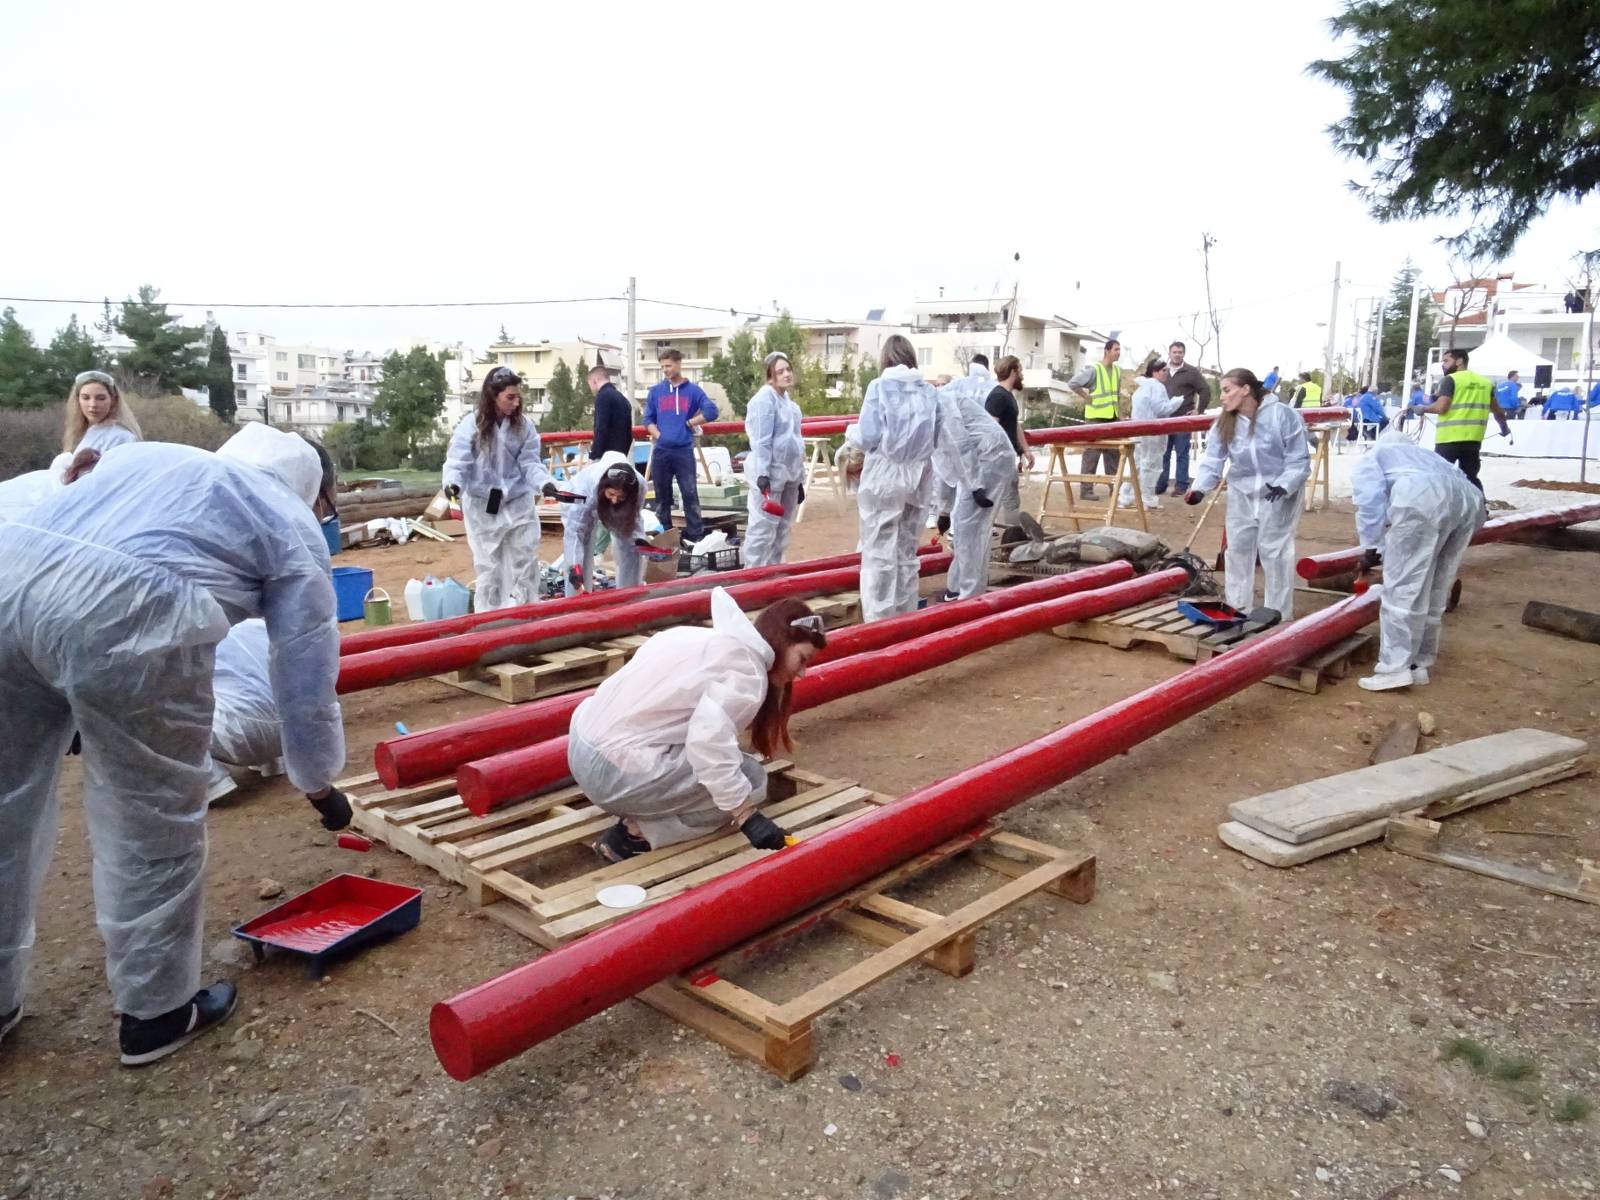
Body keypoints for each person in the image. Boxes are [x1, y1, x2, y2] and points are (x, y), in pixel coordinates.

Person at [0, 423, 349, 1066]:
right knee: (150, 814)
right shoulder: (286, 519)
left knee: (3, 804)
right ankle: (156, 1012)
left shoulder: (150, 457)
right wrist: (317, 779)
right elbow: (303, 670)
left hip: (9, 574)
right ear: (310, 488)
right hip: (128, 614)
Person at [567, 590, 826, 860]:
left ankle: (640, 808)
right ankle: (635, 835)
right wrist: (746, 815)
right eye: (802, 658)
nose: (802, 672)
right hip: (613, 776)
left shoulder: (698, 637)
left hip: (580, 748)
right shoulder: (748, 672)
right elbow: (708, 744)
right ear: (781, 641)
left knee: (732, 768)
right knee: (750, 781)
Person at [1351, 431, 1486, 691]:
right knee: (1436, 584)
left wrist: (1371, 547)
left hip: (1421, 498)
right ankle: (1419, 664)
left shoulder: (1375, 456)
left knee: (1402, 588)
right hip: (1468, 503)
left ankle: (1394, 669)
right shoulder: (1429, 458)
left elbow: (1369, 502)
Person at [851, 336, 972, 621]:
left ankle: (879, 624)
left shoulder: (879, 388)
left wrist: (849, 434)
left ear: (886, 359)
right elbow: (939, 438)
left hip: (884, 476)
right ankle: (904, 620)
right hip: (918, 476)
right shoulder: (930, 393)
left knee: (879, 553)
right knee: (906, 552)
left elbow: (867, 436)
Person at [1185, 368, 1310, 618]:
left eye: (1227, 390)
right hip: (1242, 492)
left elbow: (1298, 459)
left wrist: (1285, 484)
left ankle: (1278, 614)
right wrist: (1200, 488)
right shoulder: (1224, 422)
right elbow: (1213, 460)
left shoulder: (1282, 416)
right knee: (1238, 550)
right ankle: (1238, 609)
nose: (1222, 397)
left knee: (1274, 552)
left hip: (1277, 494)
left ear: (1246, 390)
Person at [444, 365, 558, 611]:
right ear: (492, 396)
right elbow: (458, 461)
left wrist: (545, 483)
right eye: (510, 397)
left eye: (518, 396)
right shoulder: (471, 425)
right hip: (483, 506)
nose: (516, 402)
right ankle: (489, 621)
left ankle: (527, 616)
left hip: (518, 502)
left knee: (526, 562)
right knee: (489, 568)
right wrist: (453, 484)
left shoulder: (524, 426)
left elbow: (530, 462)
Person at [934, 358, 1014, 600]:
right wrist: (944, 511)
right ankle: (958, 587)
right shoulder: (929, 412)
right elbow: (943, 467)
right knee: (966, 525)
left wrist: (976, 486)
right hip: (981, 462)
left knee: (971, 528)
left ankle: (970, 596)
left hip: (990, 458)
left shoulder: (940, 405)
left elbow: (961, 446)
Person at [204, 619, 287, 802]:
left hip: (237, 734)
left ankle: (212, 783)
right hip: (292, 732)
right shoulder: (258, 624)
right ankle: (272, 762)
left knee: (147, 714)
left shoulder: (186, 635)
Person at [645, 349, 718, 546]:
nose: (665, 370)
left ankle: (696, 537)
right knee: (662, 498)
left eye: (668, 366)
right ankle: (665, 537)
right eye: (662, 367)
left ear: (678, 364)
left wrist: (690, 423)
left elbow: (712, 411)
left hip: (683, 451)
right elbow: (648, 419)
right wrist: (659, 435)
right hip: (661, 451)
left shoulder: (693, 391)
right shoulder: (656, 392)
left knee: (689, 494)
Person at [1409, 347, 1509, 490]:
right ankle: (1480, 509)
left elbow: (1441, 407)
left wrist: (1423, 408)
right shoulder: (1485, 383)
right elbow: (1498, 412)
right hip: (1473, 440)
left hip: (1449, 438)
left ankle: (1443, 509)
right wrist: (1504, 428)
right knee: (1470, 477)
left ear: (1460, 361)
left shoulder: (1450, 380)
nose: (1443, 365)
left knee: (1441, 475)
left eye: (1446, 361)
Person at [743, 351, 806, 567]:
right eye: (780, 371)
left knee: (782, 529)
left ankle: (773, 575)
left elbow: (796, 443)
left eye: (788, 369)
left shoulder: (790, 406)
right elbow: (761, 440)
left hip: (788, 475)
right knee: (762, 530)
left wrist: (799, 479)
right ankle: (752, 579)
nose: (786, 374)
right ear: (770, 376)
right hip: (770, 476)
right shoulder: (764, 401)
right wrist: (762, 474)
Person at [560, 451, 650, 595]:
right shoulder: (583, 489)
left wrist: (638, 541)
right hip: (581, 502)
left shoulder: (639, 486)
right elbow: (574, 533)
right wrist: (573, 566)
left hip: (617, 504)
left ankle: (629, 597)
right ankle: (576, 602)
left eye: (620, 496)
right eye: (611, 494)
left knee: (630, 548)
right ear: (604, 488)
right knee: (581, 557)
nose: (614, 500)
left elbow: (634, 519)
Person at [1118, 360, 1185, 510]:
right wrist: (1176, 403)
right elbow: (1160, 409)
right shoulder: (1157, 387)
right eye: (1163, 371)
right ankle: (1146, 498)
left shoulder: (1143, 387)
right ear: (1154, 372)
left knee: (1136, 464)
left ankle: (1125, 496)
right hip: (1152, 432)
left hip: (1139, 431)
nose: (1166, 373)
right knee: (1150, 465)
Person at [1067, 338, 1123, 498]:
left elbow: (1116, 396)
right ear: (1107, 351)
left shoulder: (1118, 371)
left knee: (1113, 455)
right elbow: (1073, 383)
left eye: (1119, 350)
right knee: (1092, 455)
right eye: (1116, 350)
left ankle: (1114, 489)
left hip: (1112, 418)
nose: (1118, 353)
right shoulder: (1094, 369)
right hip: (1095, 419)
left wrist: (1118, 415)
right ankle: (1086, 491)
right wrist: (1086, 396)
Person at [1154, 341, 1210, 496]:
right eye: (1174, 352)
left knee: (1182, 453)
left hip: (1183, 420)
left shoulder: (1191, 372)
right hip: (1163, 420)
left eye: (1180, 352)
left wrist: (1199, 410)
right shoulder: (1161, 371)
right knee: (1163, 453)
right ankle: (1161, 484)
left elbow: (1205, 389)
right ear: (1169, 353)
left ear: (1183, 354)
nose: (1177, 354)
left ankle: (1181, 486)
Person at [985, 355, 1033, 527]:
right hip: (999, 459)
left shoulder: (1007, 396)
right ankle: (1011, 543)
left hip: (1005, 456)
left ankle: (1010, 541)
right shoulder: (998, 396)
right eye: (1020, 370)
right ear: (1013, 371)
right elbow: (991, 428)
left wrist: (1025, 449)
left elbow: (1014, 425)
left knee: (1009, 499)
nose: (1022, 374)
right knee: (1009, 500)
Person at [63, 370, 141, 456]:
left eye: (101, 398)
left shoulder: (120, 437)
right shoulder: (79, 434)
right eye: (86, 398)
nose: (93, 405)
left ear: (113, 400)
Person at [588, 356, 634, 460]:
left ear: (594, 381)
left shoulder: (603, 396)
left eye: (590, 384)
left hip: (606, 455)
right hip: (621, 454)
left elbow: (601, 427)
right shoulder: (622, 398)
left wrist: (594, 456)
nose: (591, 388)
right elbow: (628, 432)